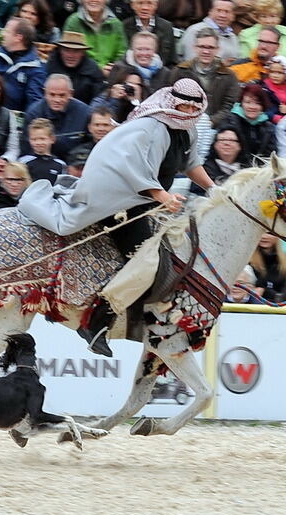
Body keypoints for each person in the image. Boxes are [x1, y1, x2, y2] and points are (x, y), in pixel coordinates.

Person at [17, 78, 215, 356]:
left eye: (197, 105)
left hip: (147, 200)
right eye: (187, 103)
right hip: (118, 198)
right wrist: (163, 197)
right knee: (146, 261)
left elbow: (192, 164)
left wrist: (215, 189)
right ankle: (98, 320)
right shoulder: (152, 127)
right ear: (174, 101)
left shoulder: (187, 129)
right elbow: (133, 168)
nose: (192, 109)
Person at [169, 27, 240, 128]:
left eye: (210, 47)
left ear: (217, 49)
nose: (206, 51)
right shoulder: (180, 71)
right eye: (202, 47)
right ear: (195, 47)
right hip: (183, 124)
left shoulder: (229, 76)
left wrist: (212, 122)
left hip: (216, 128)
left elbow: (230, 105)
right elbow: (170, 100)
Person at [0, 17, 46, 110]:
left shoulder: (36, 68)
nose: (2, 34)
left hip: (12, 118)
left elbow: (34, 103)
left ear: (18, 37)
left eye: (7, 31)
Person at [21, 74, 89, 161]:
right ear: (45, 93)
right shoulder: (33, 113)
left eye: (62, 95)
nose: (57, 100)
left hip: (76, 163)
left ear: (71, 93)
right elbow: (27, 148)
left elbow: (89, 143)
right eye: (52, 95)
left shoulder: (84, 112)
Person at [237, 0, 286, 75]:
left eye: (273, 16)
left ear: (280, 17)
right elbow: (244, 63)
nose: (269, 21)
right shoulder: (246, 35)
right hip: (256, 78)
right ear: (257, 18)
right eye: (264, 16)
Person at [61, 0, 125, 72]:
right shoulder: (73, 22)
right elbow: (69, 55)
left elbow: (121, 55)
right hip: (82, 75)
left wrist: (113, 70)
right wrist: (98, 70)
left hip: (111, 75)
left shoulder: (116, 24)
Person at [44, 31, 104, 106]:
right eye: (66, 50)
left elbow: (98, 98)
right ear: (60, 50)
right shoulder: (50, 66)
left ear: (83, 53)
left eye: (76, 51)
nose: (70, 55)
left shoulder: (93, 70)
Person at [192, 128, 246, 194]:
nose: (227, 143)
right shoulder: (205, 170)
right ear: (215, 145)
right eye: (222, 140)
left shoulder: (246, 169)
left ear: (240, 146)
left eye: (232, 140)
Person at [19, 118, 66, 183]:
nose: (38, 143)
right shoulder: (23, 162)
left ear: (52, 139)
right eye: (34, 139)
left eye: (42, 139)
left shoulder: (61, 165)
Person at [248, 233, 286, 301]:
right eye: (261, 232)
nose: (264, 236)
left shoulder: (285, 263)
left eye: (269, 233)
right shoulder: (247, 261)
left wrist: (265, 291)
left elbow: (285, 293)